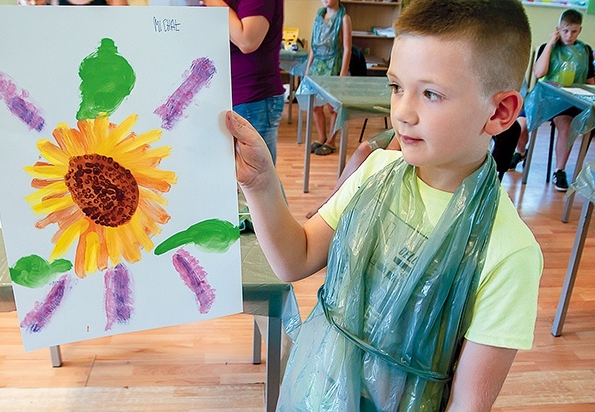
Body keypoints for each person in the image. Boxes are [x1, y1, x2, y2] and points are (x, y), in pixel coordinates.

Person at [225, 0, 543, 409]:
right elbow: (295, 258)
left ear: (500, 112)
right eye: (396, 87)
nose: (403, 112)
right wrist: (260, 182)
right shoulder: (375, 169)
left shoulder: (508, 252)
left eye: (431, 93)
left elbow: (468, 404)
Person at [509, 9, 594, 191]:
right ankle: (521, 152)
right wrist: (550, 43)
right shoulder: (547, 47)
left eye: (573, 31)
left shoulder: (584, 51)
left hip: (568, 102)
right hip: (543, 98)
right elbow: (539, 73)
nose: (569, 35)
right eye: (565, 31)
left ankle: (560, 171)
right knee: (520, 124)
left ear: (579, 30)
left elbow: (589, 81)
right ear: (558, 29)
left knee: (566, 128)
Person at [204, 0, 285, 165]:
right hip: (229, 95)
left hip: (252, 98)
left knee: (258, 182)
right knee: (242, 180)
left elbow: (247, 40)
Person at [306, 0, 352, 156]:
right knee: (315, 105)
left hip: (333, 64)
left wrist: (343, 74)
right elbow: (314, 46)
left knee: (333, 107)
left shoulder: (344, 18)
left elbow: (347, 48)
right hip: (317, 66)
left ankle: (331, 141)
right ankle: (321, 137)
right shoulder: (319, 16)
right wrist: (308, 68)